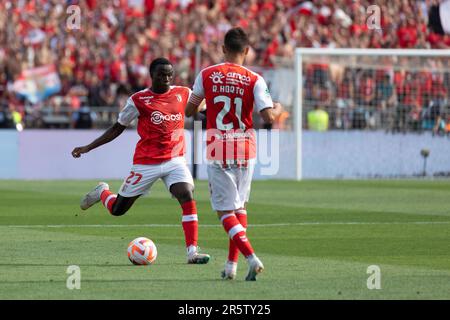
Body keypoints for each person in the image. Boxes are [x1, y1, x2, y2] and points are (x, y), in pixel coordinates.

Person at [71, 58, 210, 265]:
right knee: (118, 210)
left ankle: (192, 252)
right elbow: (117, 128)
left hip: (175, 160)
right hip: (146, 163)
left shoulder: (184, 93)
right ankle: (102, 192)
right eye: (161, 74)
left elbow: (206, 109)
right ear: (151, 75)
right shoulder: (139, 100)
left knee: (187, 195)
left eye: (169, 74)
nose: (166, 78)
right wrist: (88, 147)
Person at [185, 27, 276, 281]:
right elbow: (268, 117)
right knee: (240, 207)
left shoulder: (207, 74)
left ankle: (251, 257)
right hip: (246, 148)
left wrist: (205, 105)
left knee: (224, 211)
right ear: (246, 51)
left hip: (218, 147)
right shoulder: (255, 78)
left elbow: (189, 111)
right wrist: (277, 108)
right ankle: (230, 266)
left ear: (223, 49)